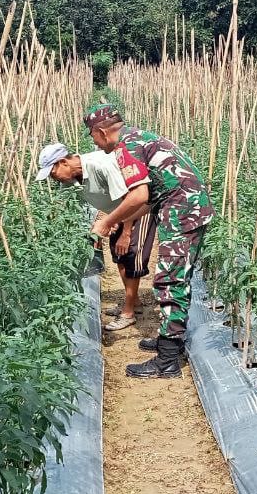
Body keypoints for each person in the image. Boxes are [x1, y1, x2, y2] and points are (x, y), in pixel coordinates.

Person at [84, 104, 214, 379]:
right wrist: (119, 218)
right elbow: (149, 201)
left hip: (183, 212)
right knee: (176, 278)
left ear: (101, 131)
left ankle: (167, 360)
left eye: (92, 136)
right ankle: (172, 341)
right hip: (185, 207)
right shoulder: (138, 137)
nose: (94, 142)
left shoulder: (125, 148)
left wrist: (107, 221)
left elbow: (140, 195)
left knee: (169, 280)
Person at [35, 142, 157, 331]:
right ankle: (135, 302)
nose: (53, 179)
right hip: (120, 212)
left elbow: (130, 197)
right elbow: (108, 198)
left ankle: (128, 312)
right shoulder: (77, 177)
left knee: (132, 255)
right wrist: (105, 220)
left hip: (139, 209)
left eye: (52, 173)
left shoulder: (99, 165)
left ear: (63, 162)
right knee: (119, 256)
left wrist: (125, 232)